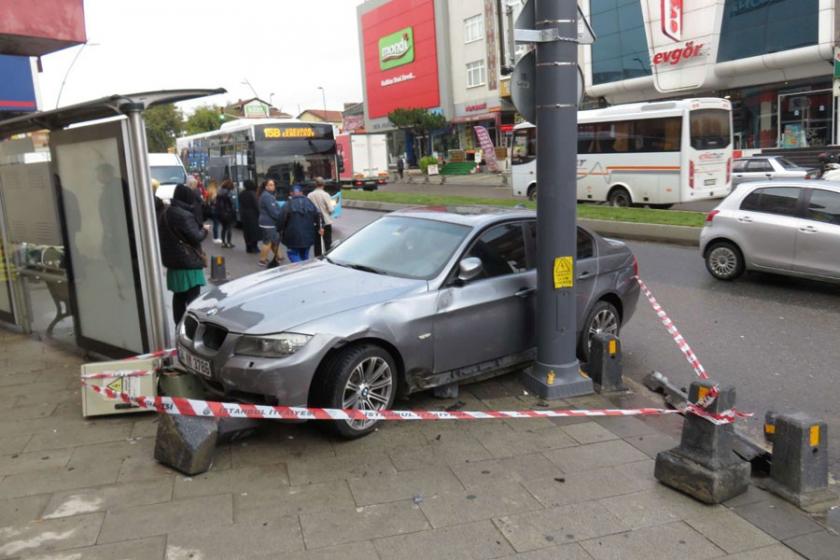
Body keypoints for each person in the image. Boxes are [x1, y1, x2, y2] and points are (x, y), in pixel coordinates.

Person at [159, 184, 209, 324]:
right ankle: (191, 327)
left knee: (179, 296)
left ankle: (178, 324)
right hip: (188, 261)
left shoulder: (166, 212)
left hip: (173, 261)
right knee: (193, 298)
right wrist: (204, 230)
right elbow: (196, 237)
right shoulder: (184, 215)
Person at [278, 184, 323, 263]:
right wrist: (320, 227)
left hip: (292, 237)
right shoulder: (310, 203)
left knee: (293, 254)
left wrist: (279, 230)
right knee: (305, 254)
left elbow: (280, 220)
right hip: (308, 236)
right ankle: (304, 269)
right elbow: (318, 216)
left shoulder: (287, 204)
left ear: (291, 193)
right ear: (302, 193)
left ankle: (301, 269)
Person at [258, 179, 282, 266]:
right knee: (267, 242)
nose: (273, 186)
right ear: (266, 186)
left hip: (267, 222)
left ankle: (279, 256)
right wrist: (280, 218)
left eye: (273, 185)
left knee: (274, 240)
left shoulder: (267, 195)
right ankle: (262, 260)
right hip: (269, 223)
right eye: (270, 185)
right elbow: (273, 211)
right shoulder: (267, 196)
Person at [307, 177, 334, 257]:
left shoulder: (310, 195)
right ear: (324, 185)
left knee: (317, 243)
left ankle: (318, 259)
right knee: (327, 243)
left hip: (315, 223)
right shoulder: (325, 195)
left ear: (315, 185)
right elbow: (331, 209)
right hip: (326, 222)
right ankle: (328, 258)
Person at [239, 180, 261, 253]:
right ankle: (254, 247)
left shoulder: (241, 194)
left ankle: (248, 247)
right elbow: (256, 205)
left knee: (247, 232)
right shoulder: (252, 193)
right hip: (253, 215)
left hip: (244, 214)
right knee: (254, 231)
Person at [216, 179, 237, 248]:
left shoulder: (219, 192)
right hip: (228, 213)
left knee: (223, 228)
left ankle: (223, 243)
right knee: (229, 228)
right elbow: (233, 203)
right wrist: (235, 210)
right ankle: (229, 243)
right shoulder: (230, 192)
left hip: (220, 213)